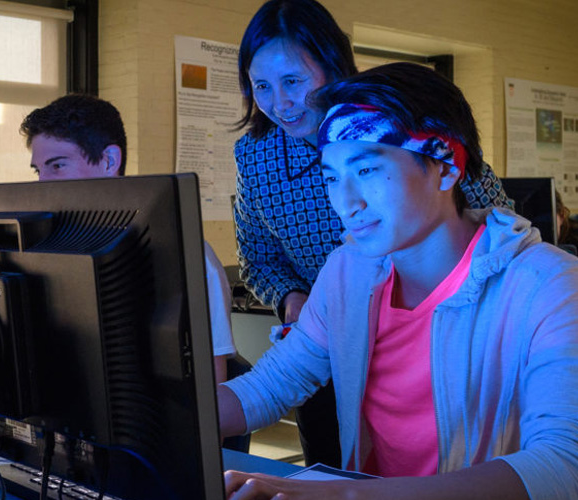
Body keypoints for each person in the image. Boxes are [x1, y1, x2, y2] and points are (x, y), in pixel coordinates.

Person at [219, 62, 578, 500]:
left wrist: (344, 496)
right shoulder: (348, 273)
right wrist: (149, 415)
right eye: (332, 178)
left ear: (446, 167)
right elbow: (271, 384)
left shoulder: (548, 286)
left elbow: (563, 466)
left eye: (366, 170)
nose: (345, 203)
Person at [232, 0, 512, 467]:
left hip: (443, 327)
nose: (279, 103)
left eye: (293, 82)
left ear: (332, 66)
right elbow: (258, 259)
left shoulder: (395, 119)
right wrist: (297, 301)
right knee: (341, 462)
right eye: (262, 86)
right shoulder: (256, 156)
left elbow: (490, 214)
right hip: (328, 340)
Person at [21, 94, 238, 384]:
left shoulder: (188, 258)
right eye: (39, 170)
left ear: (109, 160)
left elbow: (212, 394)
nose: (42, 184)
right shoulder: (46, 252)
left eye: (57, 166)